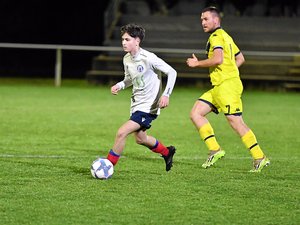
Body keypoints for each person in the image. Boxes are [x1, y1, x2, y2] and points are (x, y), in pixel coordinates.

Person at [186, 6, 270, 172]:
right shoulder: (226, 36)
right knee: (196, 113)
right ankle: (215, 149)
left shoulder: (217, 36)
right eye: (201, 19)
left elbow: (217, 59)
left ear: (216, 20)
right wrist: (230, 70)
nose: (202, 22)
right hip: (220, 86)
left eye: (206, 19)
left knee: (236, 122)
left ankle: (259, 157)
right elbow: (240, 58)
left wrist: (197, 64)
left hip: (227, 86)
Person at [106, 23, 177, 172]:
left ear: (137, 41)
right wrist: (120, 85)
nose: (123, 42)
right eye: (123, 39)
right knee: (141, 139)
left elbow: (172, 72)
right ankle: (167, 152)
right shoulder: (126, 59)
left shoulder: (149, 58)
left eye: (127, 39)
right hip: (136, 104)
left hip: (149, 106)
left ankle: (108, 166)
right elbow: (129, 79)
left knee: (121, 132)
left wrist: (166, 94)